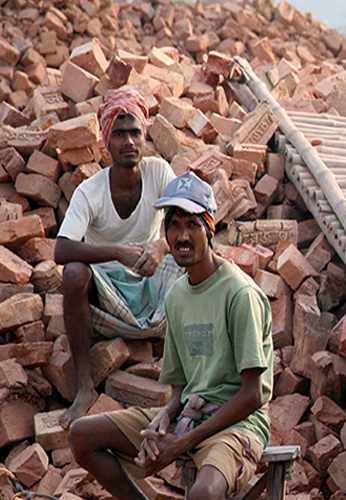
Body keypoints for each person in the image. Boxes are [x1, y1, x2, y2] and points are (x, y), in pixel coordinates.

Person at [68, 172, 274, 500]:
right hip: (191, 414)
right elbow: (181, 389)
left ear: (210, 228)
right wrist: (163, 419)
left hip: (237, 423)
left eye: (192, 224)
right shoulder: (177, 296)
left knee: (203, 494)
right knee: (82, 435)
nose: (182, 236)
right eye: (174, 225)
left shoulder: (239, 294)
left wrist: (183, 441)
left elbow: (252, 396)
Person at [55, 88, 180, 428]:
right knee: (74, 274)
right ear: (106, 142)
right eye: (119, 134)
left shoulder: (159, 173)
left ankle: (191, 381)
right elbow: (61, 250)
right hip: (108, 294)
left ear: (145, 137)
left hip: (153, 283)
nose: (128, 141)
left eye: (135, 133)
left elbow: (187, 223)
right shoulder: (90, 191)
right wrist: (117, 253)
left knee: (197, 258)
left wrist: (161, 246)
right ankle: (85, 387)